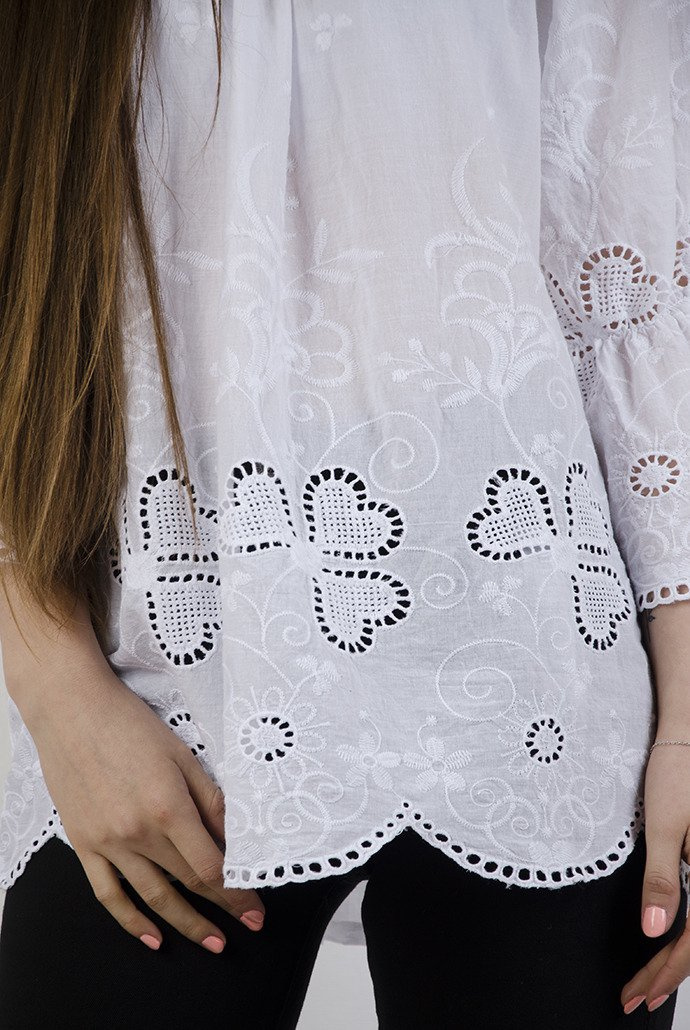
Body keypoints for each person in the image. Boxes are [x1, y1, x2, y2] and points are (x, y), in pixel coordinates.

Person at [0, 0, 688, 1026]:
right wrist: (54, 686)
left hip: (543, 689)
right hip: (158, 694)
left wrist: (687, 722)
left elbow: (630, 274)